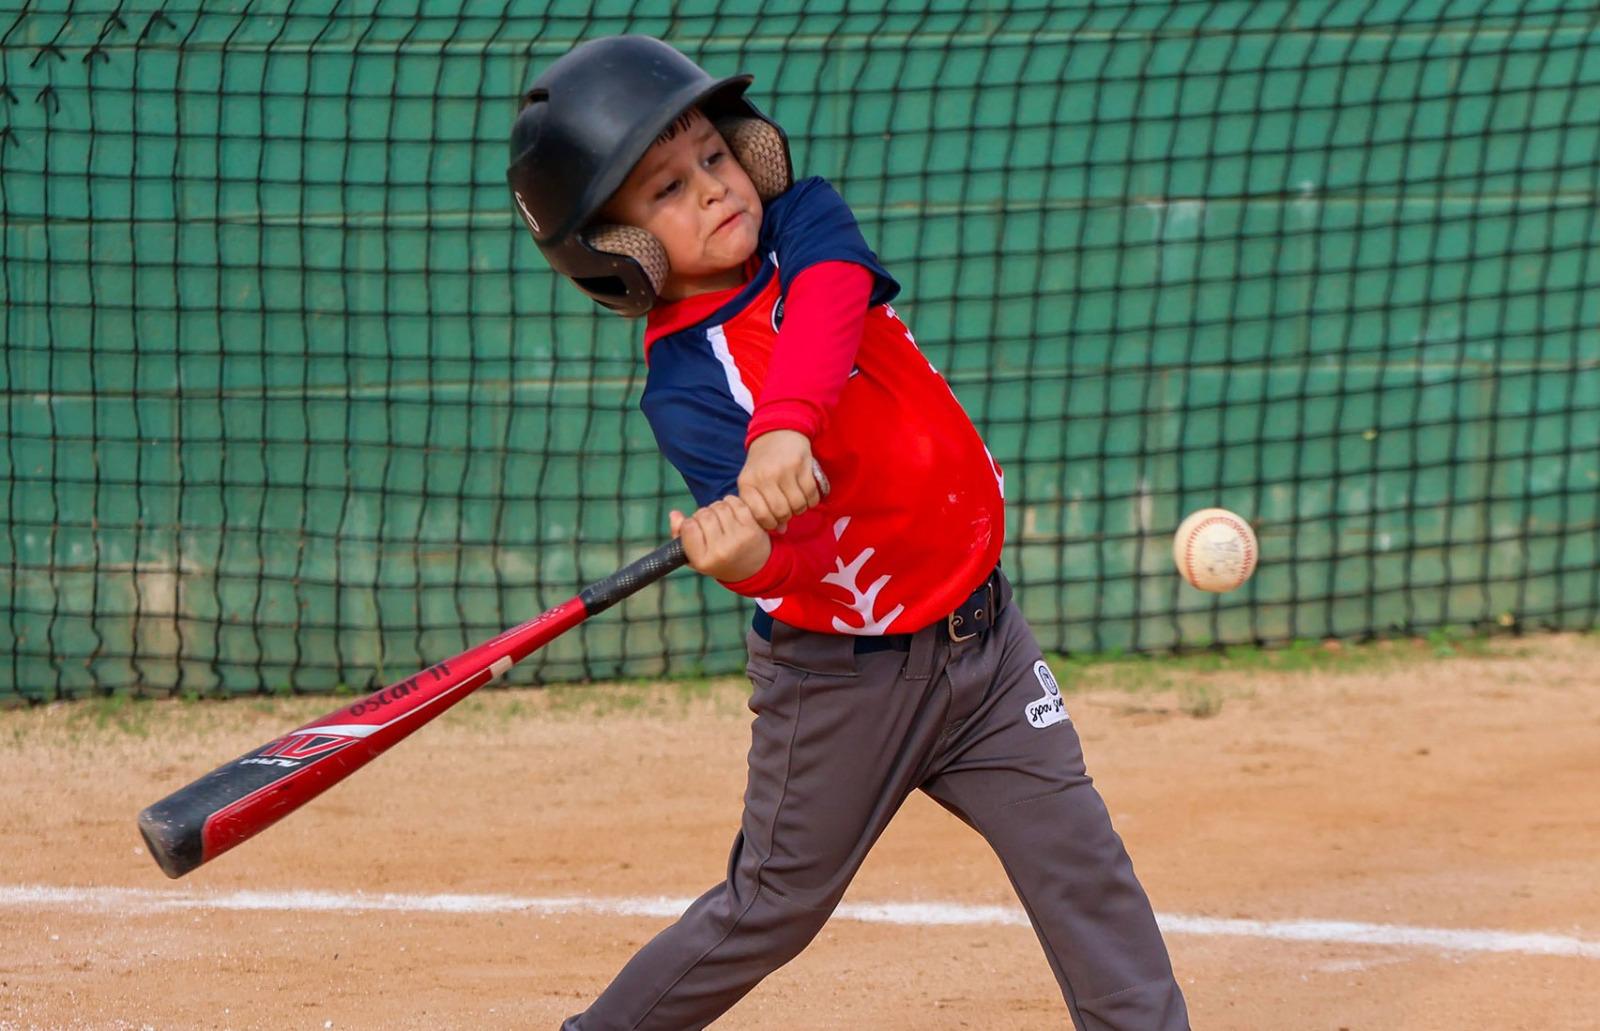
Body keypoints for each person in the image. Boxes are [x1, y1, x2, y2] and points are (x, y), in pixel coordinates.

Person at [507, 35, 1190, 1031]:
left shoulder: (804, 223)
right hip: (847, 682)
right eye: (665, 190)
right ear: (617, 249)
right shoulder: (688, 387)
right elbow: (797, 566)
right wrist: (747, 561)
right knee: (770, 908)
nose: (713, 188)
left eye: (712, 155)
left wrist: (784, 424)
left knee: (1082, 863)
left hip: (984, 641)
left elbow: (829, 298)